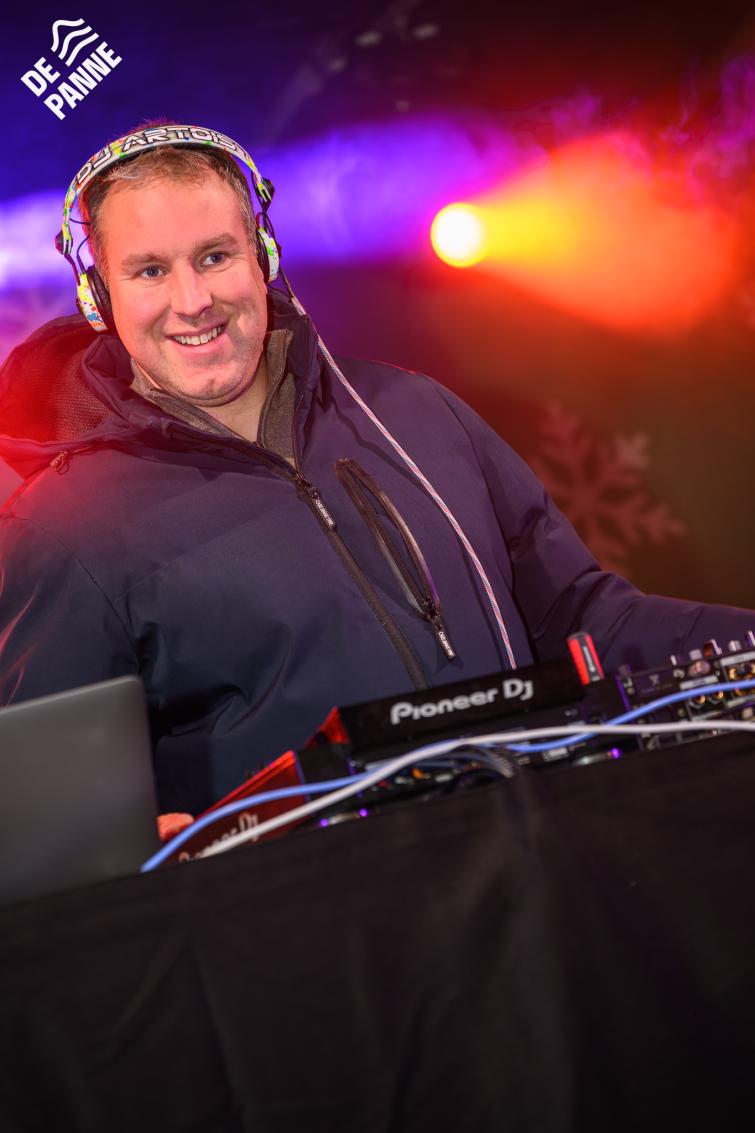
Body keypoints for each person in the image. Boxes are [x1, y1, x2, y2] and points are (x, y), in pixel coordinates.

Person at [0, 122, 752, 815]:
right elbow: (54, 807)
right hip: (326, 911)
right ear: (99, 296)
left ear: (263, 256)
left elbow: (581, 618)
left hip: (542, 862)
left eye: (214, 257)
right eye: (149, 271)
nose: (192, 300)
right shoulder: (65, 525)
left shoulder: (414, 410)